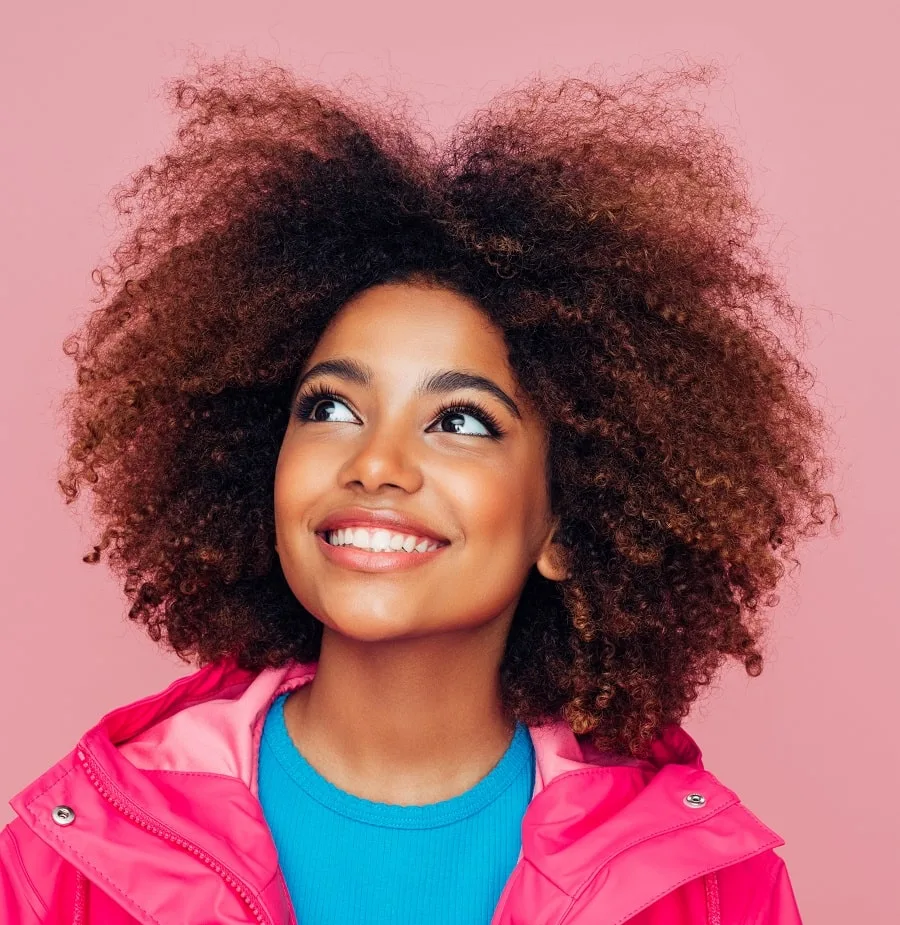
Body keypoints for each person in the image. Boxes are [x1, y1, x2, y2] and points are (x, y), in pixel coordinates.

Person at [0, 56, 837, 924]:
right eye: (330, 405)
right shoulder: (69, 859)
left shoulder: (703, 887)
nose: (377, 462)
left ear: (565, 522)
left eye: (463, 420)